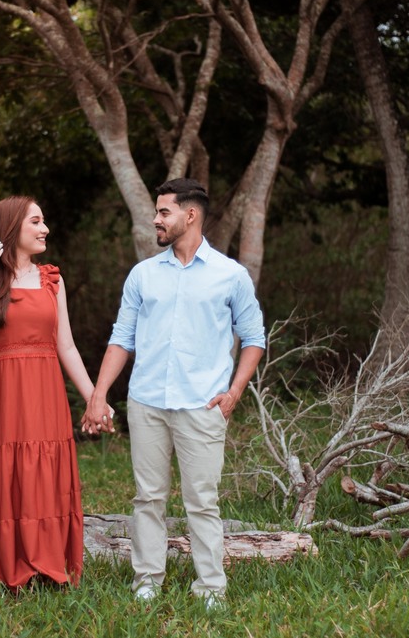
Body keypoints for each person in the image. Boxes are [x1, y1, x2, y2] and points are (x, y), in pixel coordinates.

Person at [84, 178, 265, 608]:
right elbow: (121, 338)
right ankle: (147, 581)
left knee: (202, 501)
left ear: (191, 215)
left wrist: (234, 392)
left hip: (203, 405)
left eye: (164, 212)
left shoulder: (230, 275)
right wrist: (98, 393)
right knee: (148, 498)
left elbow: (254, 338)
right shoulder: (143, 275)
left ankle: (211, 588)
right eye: (156, 211)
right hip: (146, 403)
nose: (156, 219)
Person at [0, 195, 109, 594]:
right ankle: (7, 564)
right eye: (36, 221)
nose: (45, 229)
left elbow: (67, 347)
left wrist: (95, 398)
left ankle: (47, 564)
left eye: (44, 222)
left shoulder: (51, 280)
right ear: (12, 228)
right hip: (3, 394)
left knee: (43, 470)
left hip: (44, 390)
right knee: (8, 470)